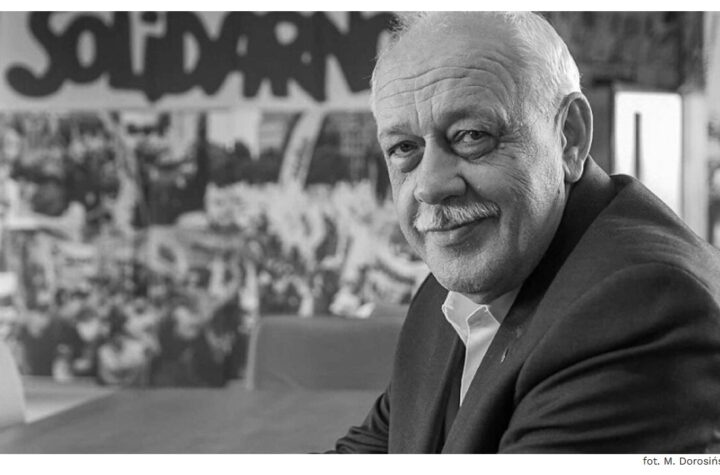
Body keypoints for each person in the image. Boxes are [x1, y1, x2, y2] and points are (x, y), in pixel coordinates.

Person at [331, 11, 720, 453]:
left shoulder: (642, 305)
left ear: (569, 137)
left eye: (471, 135)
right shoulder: (454, 286)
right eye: (404, 148)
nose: (430, 186)